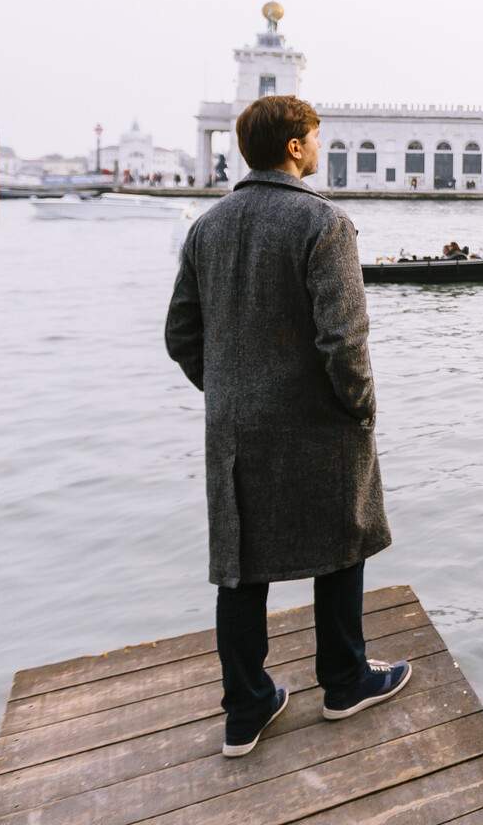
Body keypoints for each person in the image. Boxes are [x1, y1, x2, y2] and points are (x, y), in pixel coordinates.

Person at [165, 95, 409, 759]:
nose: (320, 145)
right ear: (295, 147)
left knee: (240, 567)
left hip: (235, 430)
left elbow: (180, 334)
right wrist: (358, 408)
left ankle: (245, 708)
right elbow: (343, 342)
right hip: (316, 422)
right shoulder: (323, 223)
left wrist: (228, 394)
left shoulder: (206, 228)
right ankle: (344, 680)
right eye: (316, 136)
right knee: (343, 539)